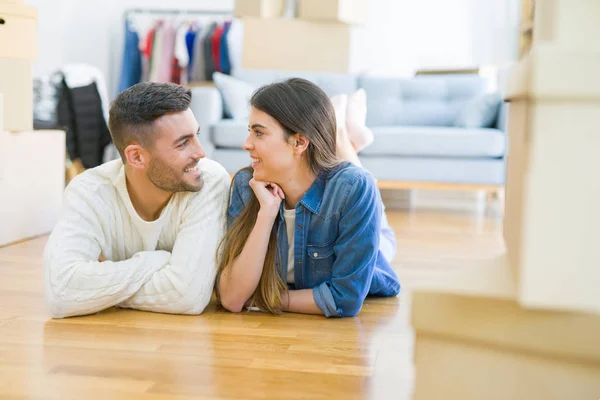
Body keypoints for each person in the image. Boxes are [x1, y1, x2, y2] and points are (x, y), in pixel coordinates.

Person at [216, 78, 400, 318]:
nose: (246, 144)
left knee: (378, 224)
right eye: (249, 131)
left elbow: (345, 300)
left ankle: (341, 135)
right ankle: (340, 134)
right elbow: (232, 298)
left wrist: (271, 299)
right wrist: (267, 213)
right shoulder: (246, 185)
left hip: (372, 246)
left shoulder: (354, 189)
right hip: (320, 170)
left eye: (259, 133)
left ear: (300, 142)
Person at [44, 82, 230, 318]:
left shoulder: (209, 181)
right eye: (183, 143)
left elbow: (188, 296)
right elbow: (60, 293)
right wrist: (155, 262)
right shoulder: (89, 191)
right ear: (137, 156)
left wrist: (98, 292)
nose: (201, 153)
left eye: (197, 135)